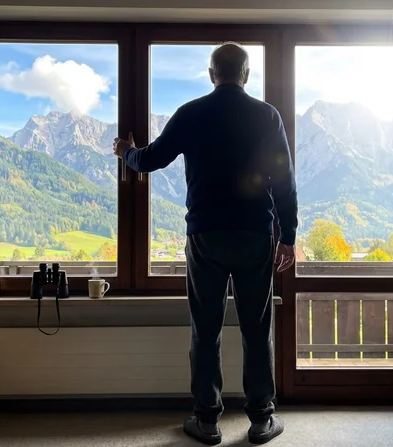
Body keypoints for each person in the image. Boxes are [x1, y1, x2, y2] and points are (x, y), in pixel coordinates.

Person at [113, 42, 297, 445]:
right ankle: (261, 419)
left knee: (206, 329)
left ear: (212, 74)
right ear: (246, 74)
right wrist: (289, 237)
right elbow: (284, 181)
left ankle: (207, 420)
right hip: (255, 235)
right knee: (256, 329)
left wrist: (126, 152)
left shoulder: (191, 113)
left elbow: (150, 160)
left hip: (205, 236)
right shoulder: (267, 115)